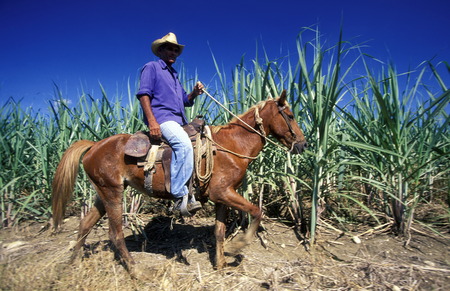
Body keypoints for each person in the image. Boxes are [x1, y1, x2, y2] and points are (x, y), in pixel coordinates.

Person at [136, 32, 203, 215]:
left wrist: (195, 93)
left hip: (179, 121)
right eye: (169, 49)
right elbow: (144, 94)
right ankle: (180, 196)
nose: (173, 52)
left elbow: (185, 101)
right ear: (160, 51)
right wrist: (153, 122)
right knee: (184, 145)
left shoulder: (174, 75)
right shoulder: (152, 68)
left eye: (176, 50)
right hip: (163, 119)